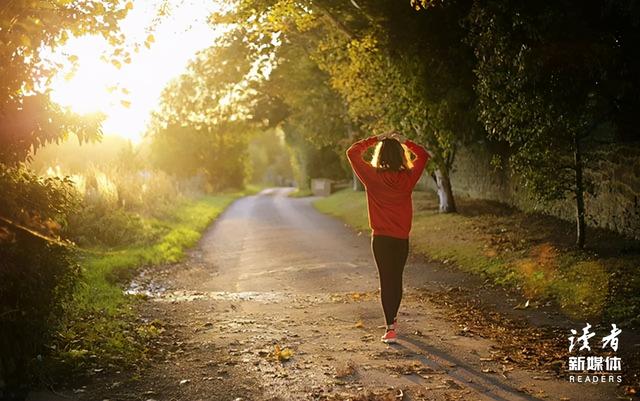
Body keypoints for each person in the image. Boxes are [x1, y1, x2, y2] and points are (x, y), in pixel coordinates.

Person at [346, 131, 429, 344]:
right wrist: (405, 141)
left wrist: (376, 138)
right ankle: (393, 321)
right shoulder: (408, 178)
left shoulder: (372, 177)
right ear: (401, 155)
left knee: (386, 280)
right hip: (401, 239)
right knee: (396, 279)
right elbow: (423, 155)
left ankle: (390, 328)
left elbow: (353, 152)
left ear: (380, 155)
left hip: (381, 239)